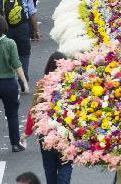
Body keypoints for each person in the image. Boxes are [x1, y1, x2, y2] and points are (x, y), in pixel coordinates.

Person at [0, 15, 29, 157]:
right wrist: (24, 82)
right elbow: (16, 64)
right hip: (8, 83)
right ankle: (15, 144)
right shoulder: (10, 43)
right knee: (12, 114)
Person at [30, 52, 73, 184]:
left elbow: (34, 110)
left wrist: (31, 129)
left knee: (49, 168)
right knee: (66, 163)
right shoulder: (71, 83)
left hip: (46, 133)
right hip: (66, 132)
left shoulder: (42, 85)